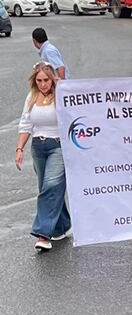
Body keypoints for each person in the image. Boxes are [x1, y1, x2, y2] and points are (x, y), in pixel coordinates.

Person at [15, 62, 71, 252]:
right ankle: (62, 226)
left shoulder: (62, 95)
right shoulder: (32, 96)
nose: (43, 84)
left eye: (46, 80)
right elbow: (26, 124)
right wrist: (19, 149)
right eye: (39, 80)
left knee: (51, 186)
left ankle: (43, 234)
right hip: (38, 146)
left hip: (58, 146)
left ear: (52, 79)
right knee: (47, 188)